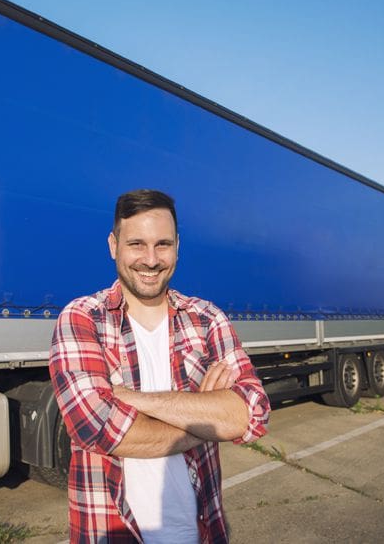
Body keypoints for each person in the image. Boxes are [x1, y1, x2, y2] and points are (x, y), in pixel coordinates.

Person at [49, 189, 270, 543]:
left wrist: (129, 399)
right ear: (113, 245)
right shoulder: (81, 318)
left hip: (200, 533)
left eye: (162, 244)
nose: (150, 260)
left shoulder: (207, 320)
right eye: (136, 244)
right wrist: (209, 417)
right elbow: (95, 426)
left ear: (178, 246)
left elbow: (252, 415)